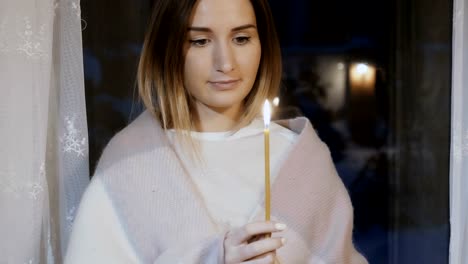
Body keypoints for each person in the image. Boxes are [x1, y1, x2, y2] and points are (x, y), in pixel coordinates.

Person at [65, 0, 368, 263]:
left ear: (262, 43)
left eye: (241, 38)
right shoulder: (130, 166)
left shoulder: (303, 160)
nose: (225, 63)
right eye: (200, 41)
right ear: (166, 50)